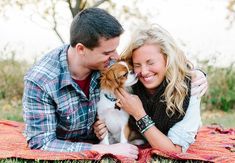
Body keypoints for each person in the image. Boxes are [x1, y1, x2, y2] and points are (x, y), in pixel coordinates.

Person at [23, 7, 206, 159]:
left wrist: (197, 73)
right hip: (98, 143)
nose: (117, 57)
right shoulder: (42, 82)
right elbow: (41, 143)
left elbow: (158, 61)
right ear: (81, 49)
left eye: (116, 49)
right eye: (108, 52)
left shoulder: (110, 64)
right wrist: (102, 148)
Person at [94, 24, 206, 153]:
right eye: (137, 65)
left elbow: (174, 151)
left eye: (151, 63)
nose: (144, 71)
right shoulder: (131, 80)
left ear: (168, 60)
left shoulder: (189, 89)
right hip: (136, 139)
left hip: (173, 139)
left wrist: (139, 114)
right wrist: (103, 126)